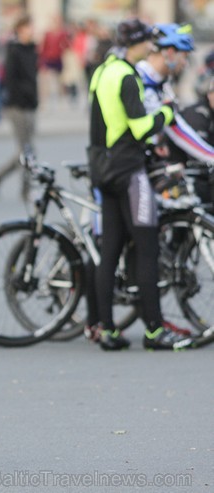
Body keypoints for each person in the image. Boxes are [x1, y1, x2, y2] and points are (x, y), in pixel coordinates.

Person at [87, 19, 193, 351]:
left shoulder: (103, 70)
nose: (151, 47)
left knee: (110, 250)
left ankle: (107, 330)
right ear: (137, 44)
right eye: (147, 42)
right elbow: (138, 128)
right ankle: (154, 330)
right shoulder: (128, 77)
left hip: (101, 168)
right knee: (147, 247)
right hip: (128, 169)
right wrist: (166, 114)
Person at [136, 23, 214, 166]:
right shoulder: (136, 78)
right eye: (184, 56)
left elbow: (177, 127)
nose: (184, 63)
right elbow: (177, 131)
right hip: (124, 165)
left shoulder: (162, 84)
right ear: (170, 52)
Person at [0, 15, 38, 201]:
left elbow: (33, 77)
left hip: (31, 105)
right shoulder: (13, 50)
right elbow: (11, 80)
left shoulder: (32, 49)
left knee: (26, 150)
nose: (32, 31)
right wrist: (22, 96)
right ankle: (25, 189)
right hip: (16, 106)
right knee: (27, 150)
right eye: (29, 27)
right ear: (21, 29)